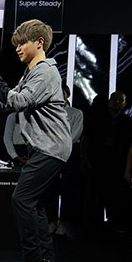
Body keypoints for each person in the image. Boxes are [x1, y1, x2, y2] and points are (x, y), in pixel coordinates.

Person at [0, 19, 72, 262]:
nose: (17, 48)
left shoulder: (45, 71)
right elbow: (5, 104)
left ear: (39, 42)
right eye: (16, 44)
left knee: (21, 200)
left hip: (51, 147)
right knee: (34, 203)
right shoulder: (31, 73)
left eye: (22, 43)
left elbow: (18, 101)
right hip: (46, 147)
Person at [82, 91, 132, 234]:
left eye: (121, 100)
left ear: (125, 103)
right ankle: (94, 229)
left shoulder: (128, 122)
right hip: (97, 165)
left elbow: (131, 146)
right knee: (95, 198)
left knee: (116, 200)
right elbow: (86, 139)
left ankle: (115, 227)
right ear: (109, 101)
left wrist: (128, 171)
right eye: (114, 99)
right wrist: (84, 158)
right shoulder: (97, 119)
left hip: (118, 167)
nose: (117, 102)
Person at [45, 83, 84, 236]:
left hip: (70, 153)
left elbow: (75, 135)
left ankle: (64, 222)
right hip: (51, 152)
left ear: (67, 95)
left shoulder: (76, 113)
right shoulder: (48, 112)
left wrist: (60, 146)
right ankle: (52, 220)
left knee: (68, 188)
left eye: (62, 93)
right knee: (51, 187)